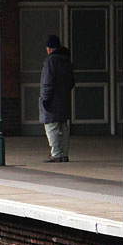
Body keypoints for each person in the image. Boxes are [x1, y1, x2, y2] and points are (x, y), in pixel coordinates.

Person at [39, 34, 75, 162]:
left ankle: (56, 153)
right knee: (63, 126)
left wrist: (45, 98)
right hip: (64, 99)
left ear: (49, 48)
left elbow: (48, 82)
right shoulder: (66, 60)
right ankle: (64, 153)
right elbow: (71, 81)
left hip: (53, 99)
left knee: (51, 126)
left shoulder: (50, 61)